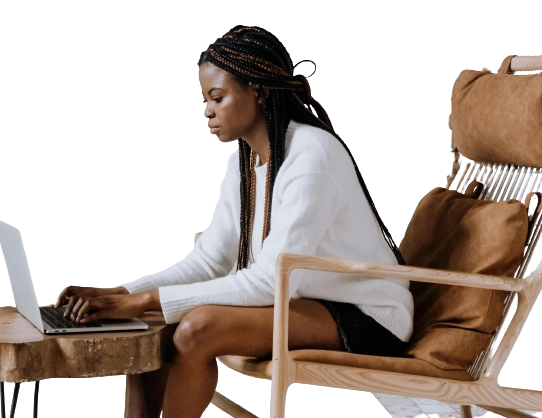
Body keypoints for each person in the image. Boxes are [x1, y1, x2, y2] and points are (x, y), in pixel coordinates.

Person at [54, 25, 414, 418]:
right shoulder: (243, 163)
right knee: (154, 323)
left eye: (218, 97)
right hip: (308, 301)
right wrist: (123, 294)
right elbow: (209, 261)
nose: (207, 110)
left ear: (257, 91)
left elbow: (271, 280)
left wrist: (146, 300)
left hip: (368, 313)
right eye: (205, 100)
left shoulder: (312, 155)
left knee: (197, 327)